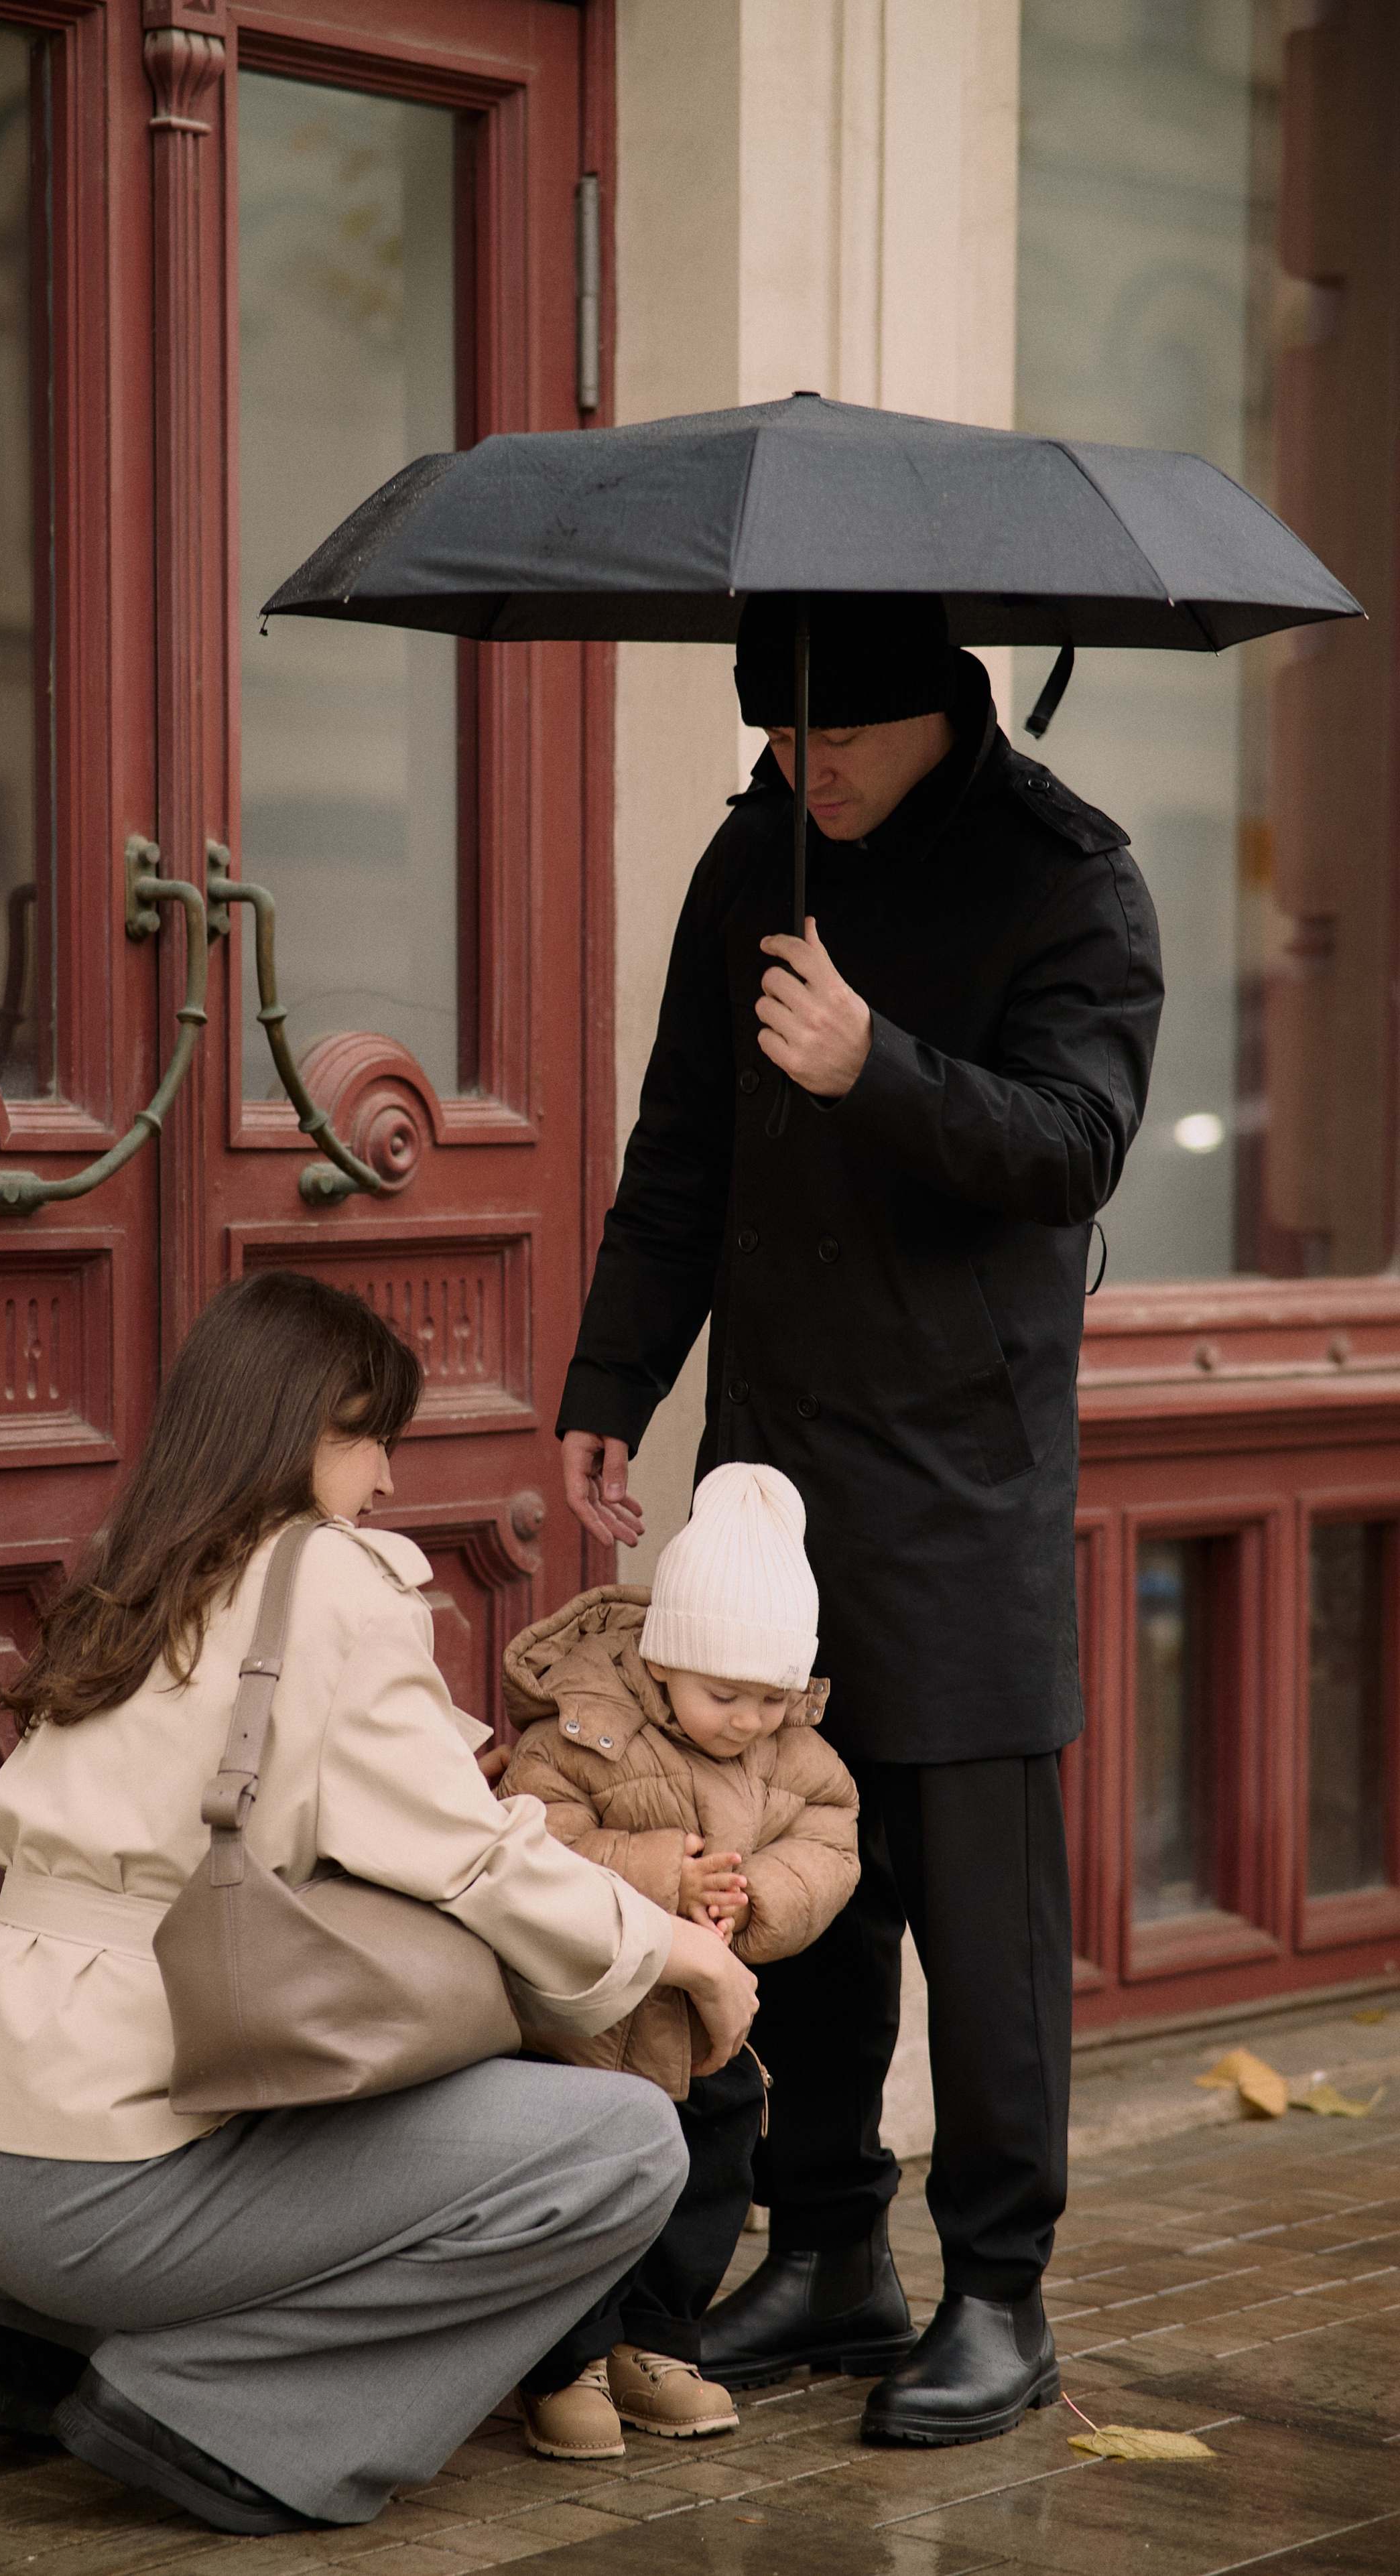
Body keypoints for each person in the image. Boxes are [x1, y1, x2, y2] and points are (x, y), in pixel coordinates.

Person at [558, 593, 1163, 2447]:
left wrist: (873, 1061)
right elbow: (681, 1144)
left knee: (979, 1910)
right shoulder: (755, 851)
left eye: (836, 746)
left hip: (967, 1470)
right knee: (781, 1869)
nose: (803, 775)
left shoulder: (1076, 878)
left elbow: (1076, 1143)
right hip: (775, 1458)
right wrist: (608, 1387)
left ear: (943, 713)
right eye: (782, 744)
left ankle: (999, 2292)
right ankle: (826, 2246)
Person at [0, 1269, 759, 2535]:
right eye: (373, 1438)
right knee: (620, 2145)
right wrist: (682, 1950)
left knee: (265, 2036)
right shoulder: (335, 1579)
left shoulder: (137, 1567)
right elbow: (476, 1864)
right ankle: (209, 2412)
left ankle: (29, 2356)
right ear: (300, 1426)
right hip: (96, 2191)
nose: (389, 1482)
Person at [496, 1462, 861, 2463]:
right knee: (584, 2185)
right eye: (723, 1695)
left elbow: (834, 1835)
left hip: (705, 2026)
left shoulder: (789, 1751)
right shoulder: (583, 1730)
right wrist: (662, 1873)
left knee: (710, 2171)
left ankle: (656, 2344)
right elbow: (531, 1840)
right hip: (588, 2020)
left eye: (770, 1698)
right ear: (662, 1661)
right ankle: (560, 2362)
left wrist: (761, 1898)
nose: (747, 1719)